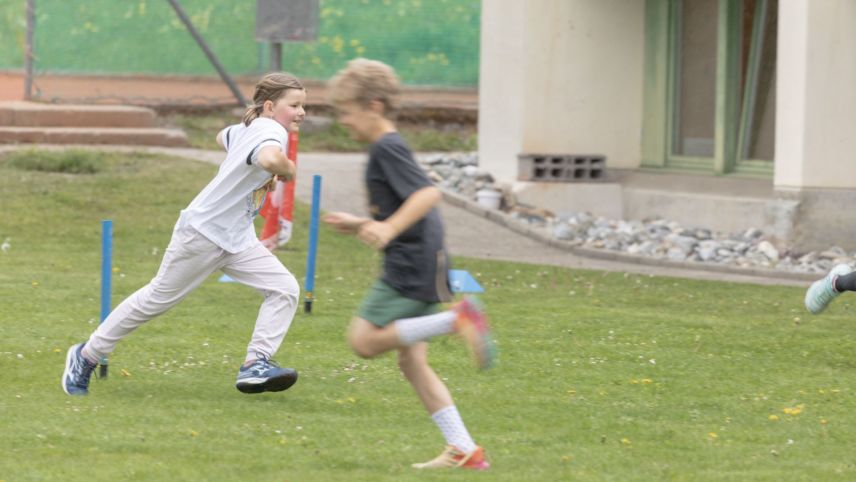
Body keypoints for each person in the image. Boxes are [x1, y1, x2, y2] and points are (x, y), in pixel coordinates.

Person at [62, 73, 306, 396]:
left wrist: (251, 167)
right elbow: (269, 158)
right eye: (296, 105)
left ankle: (255, 364)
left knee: (284, 288)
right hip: (203, 234)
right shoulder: (271, 130)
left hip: (237, 237)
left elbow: (224, 137)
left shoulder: (249, 128)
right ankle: (85, 355)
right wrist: (285, 169)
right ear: (271, 106)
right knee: (155, 300)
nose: (302, 112)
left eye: (304, 105)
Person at [322, 58, 496, 471]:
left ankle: (457, 320)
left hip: (412, 261)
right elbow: (408, 204)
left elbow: (426, 195)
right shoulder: (386, 147)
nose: (343, 121)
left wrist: (388, 229)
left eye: (347, 110)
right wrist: (366, 224)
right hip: (425, 257)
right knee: (411, 360)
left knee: (363, 342)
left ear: (375, 106)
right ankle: (464, 450)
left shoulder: (387, 147)